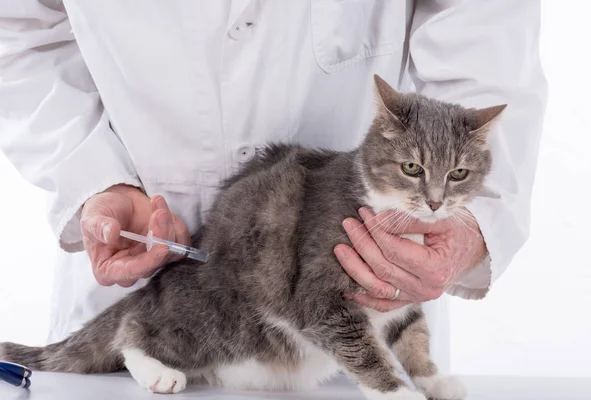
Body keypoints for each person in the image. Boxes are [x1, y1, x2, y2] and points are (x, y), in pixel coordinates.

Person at [0, 0, 546, 375]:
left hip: (364, 282)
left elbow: (486, 40)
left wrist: (468, 228)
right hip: (137, 281)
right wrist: (94, 175)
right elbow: (20, 26)